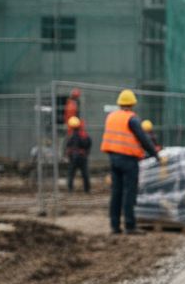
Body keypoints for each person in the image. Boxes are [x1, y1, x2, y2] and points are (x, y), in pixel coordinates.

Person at [101, 89, 163, 235]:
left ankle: (114, 226)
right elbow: (144, 138)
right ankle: (130, 225)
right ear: (133, 104)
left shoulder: (111, 117)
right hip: (128, 160)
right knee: (129, 192)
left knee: (116, 192)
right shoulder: (132, 119)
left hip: (113, 158)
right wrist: (156, 154)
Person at [65, 116, 92, 193]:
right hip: (82, 157)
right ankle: (87, 189)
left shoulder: (71, 135)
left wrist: (69, 155)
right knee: (85, 174)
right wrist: (86, 153)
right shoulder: (83, 134)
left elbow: (68, 146)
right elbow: (89, 143)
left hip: (74, 157)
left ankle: (70, 189)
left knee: (71, 174)